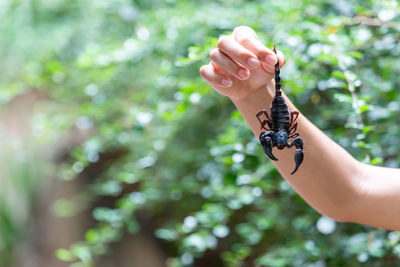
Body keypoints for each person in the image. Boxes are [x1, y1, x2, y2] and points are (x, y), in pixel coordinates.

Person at [199, 26, 400, 231]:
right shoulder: (281, 133)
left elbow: (356, 192)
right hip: (279, 115)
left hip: (281, 121)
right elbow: (354, 192)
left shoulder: (283, 135)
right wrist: (256, 93)